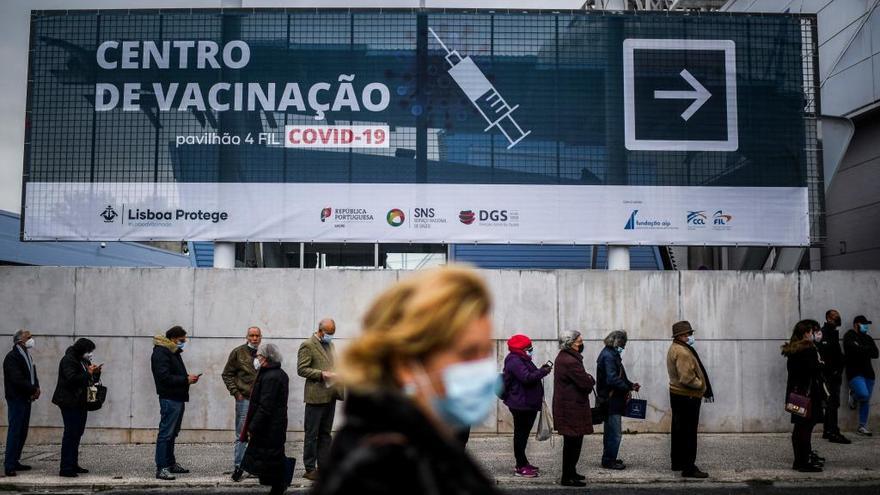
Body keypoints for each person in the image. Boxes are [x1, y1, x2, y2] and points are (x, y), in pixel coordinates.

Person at [312, 266, 502, 495]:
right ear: (407, 365)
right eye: (468, 353)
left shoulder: (427, 443)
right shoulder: (379, 471)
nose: (482, 370)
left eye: (486, 353)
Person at [151, 325, 200, 480]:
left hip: (177, 398)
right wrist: (185, 380)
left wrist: (186, 379)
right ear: (172, 338)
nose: (183, 342)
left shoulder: (172, 351)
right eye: (181, 340)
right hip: (169, 398)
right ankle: (162, 468)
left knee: (172, 434)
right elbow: (163, 377)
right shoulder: (161, 352)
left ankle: (170, 464)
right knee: (166, 434)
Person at [241, 343, 291, 495]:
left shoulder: (272, 377)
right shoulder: (274, 373)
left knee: (273, 458)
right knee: (272, 455)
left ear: (265, 358)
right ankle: (277, 485)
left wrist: (252, 427)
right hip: (273, 424)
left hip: (270, 426)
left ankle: (279, 487)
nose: (256, 358)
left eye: (259, 356)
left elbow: (265, 405)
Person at [297, 318, 343, 481]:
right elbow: (301, 369)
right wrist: (321, 374)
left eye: (333, 333)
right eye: (329, 333)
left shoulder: (330, 345)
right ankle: (310, 468)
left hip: (330, 395)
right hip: (315, 397)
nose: (331, 336)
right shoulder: (308, 345)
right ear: (321, 330)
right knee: (312, 434)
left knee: (326, 433)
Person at [666, 321, 712, 479]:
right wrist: (701, 386)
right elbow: (686, 378)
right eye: (688, 334)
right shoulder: (683, 352)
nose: (691, 337)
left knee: (678, 430)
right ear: (681, 336)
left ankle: (677, 462)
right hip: (688, 396)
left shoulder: (674, 347)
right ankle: (689, 468)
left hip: (677, 394)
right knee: (689, 432)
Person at [502, 333, 551, 478]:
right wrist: (543, 372)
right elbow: (526, 378)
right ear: (521, 348)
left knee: (523, 435)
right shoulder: (514, 360)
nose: (531, 349)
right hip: (521, 405)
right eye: (529, 347)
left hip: (527, 404)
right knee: (520, 435)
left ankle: (523, 462)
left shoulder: (522, 358)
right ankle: (520, 466)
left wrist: (540, 369)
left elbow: (529, 373)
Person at [51, 338, 101, 477]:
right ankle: (66, 467)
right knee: (70, 433)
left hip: (81, 402)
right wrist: (88, 373)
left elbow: (89, 379)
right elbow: (71, 379)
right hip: (69, 401)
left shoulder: (83, 360)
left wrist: (95, 372)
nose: (90, 354)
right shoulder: (68, 360)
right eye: (88, 351)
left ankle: (73, 463)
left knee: (77, 433)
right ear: (82, 350)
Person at [783, 320, 828, 472]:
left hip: (796, 394)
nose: (813, 334)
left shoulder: (794, 349)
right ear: (805, 334)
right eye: (811, 332)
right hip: (808, 396)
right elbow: (814, 369)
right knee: (805, 429)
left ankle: (800, 460)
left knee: (799, 429)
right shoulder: (807, 350)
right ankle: (803, 462)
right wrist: (821, 363)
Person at [553, 330, 595, 487]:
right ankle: (567, 476)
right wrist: (590, 378)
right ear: (571, 343)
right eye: (579, 341)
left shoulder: (567, 358)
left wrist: (587, 378)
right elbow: (585, 383)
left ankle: (571, 472)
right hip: (571, 409)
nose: (581, 343)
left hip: (571, 407)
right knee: (572, 443)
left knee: (574, 443)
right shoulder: (570, 361)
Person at [222, 326, 262, 481]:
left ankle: (254, 467)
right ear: (247, 336)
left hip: (260, 401)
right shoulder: (238, 352)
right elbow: (227, 374)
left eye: (257, 335)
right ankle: (239, 466)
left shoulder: (264, 352)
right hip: (244, 399)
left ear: (261, 337)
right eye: (251, 335)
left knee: (258, 434)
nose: (254, 338)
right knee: (242, 434)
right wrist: (236, 393)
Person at [596, 330, 639, 471]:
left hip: (610, 399)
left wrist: (630, 385)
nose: (624, 347)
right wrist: (627, 388)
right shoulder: (609, 356)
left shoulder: (611, 353)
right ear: (617, 342)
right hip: (611, 400)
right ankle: (609, 461)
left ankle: (609, 457)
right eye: (623, 344)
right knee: (615, 433)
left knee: (610, 432)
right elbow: (612, 379)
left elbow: (619, 376)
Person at [3, 329, 40, 477]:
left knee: (22, 431)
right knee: (15, 431)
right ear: (20, 340)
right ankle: (9, 464)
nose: (31, 339)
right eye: (29, 337)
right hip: (16, 398)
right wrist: (32, 389)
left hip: (26, 398)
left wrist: (36, 388)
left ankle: (15, 460)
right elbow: (17, 379)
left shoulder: (27, 356)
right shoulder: (12, 357)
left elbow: (32, 373)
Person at [817, 309, 850, 444]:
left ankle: (827, 430)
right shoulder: (824, 333)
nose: (837, 319)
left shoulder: (833, 333)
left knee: (832, 404)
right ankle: (833, 432)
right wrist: (833, 370)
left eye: (837, 317)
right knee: (832, 404)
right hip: (829, 375)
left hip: (834, 374)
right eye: (834, 317)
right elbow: (825, 355)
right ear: (828, 318)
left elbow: (836, 355)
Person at [844, 315, 878, 436]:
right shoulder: (849, 335)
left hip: (869, 374)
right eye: (864, 324)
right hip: (855, 373)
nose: (866, 326)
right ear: (856, 324)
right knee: (863, 394)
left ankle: (862, 426)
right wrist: (865, 349)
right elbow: (851, 348)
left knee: (866, 400)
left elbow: (875, 353)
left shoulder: (868, 338)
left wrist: (861, 348)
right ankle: (853, 394)